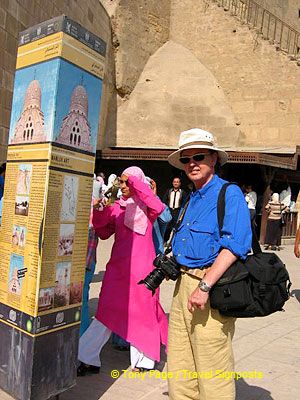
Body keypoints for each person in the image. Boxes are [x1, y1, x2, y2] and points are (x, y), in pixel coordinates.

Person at [166, 128, 252, 400]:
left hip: (210, 288)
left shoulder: (229, 193)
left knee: (212, 368)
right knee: (180, 365)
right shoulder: (192, 196)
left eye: (199, 156)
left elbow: (236, 245)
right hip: (183, 286)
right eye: (186, 159)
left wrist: (204, 286)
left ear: (213, 158)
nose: (192, 163)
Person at [77, 166, 168, 375]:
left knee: (142, 314)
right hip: (118, 269)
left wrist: (135, 182)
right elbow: (102, 232)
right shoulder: (118, 207)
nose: (124, 186)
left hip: (143, 270)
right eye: (122, 182)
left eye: (128, 182)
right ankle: (87, 357)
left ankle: (144, 362)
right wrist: (100, 210)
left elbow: (160, 208)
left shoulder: (147, 207)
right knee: (105, 312)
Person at [163, 177, 187, 242]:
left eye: (177, 182)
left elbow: (185, 203)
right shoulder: (169, 191)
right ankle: (165, 241)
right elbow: (164, 200)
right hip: (169, 211)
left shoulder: (183, 192)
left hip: (177, 212)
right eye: (174, 182)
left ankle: (173, 242)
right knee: (167, 227)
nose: (176, 183)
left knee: (176, 227)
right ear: (172, 183)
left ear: (180, 183)